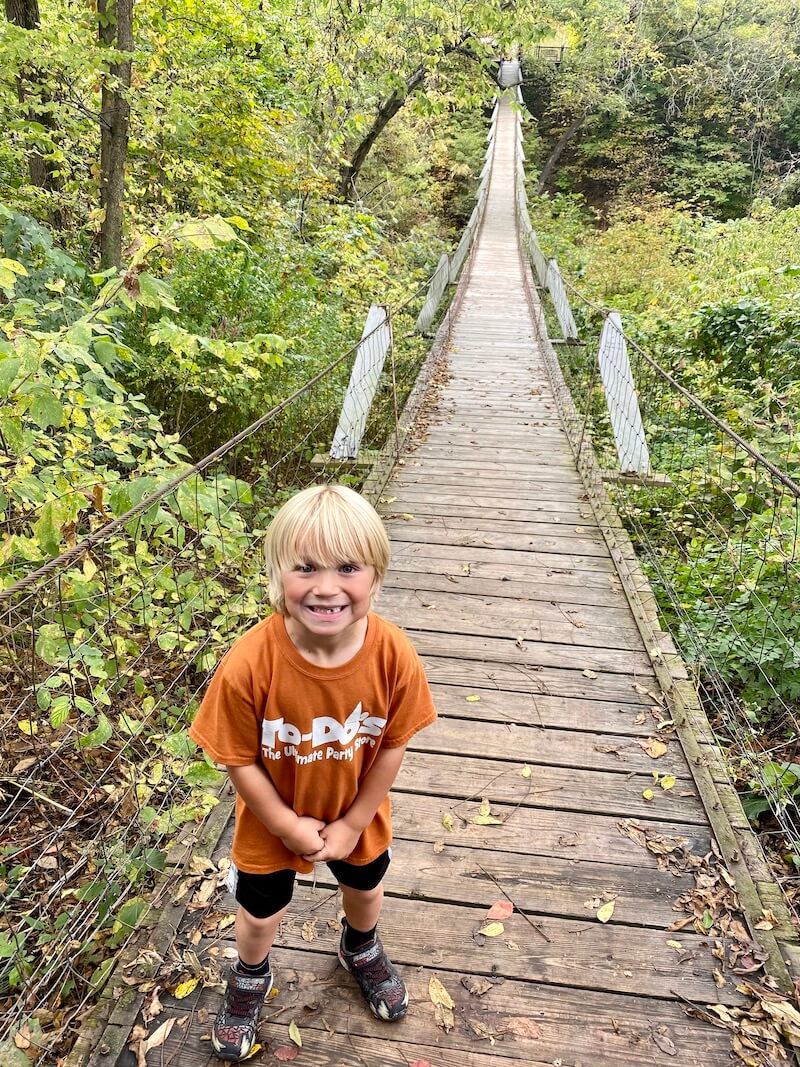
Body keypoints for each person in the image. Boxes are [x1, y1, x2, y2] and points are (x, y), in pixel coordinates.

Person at [188, 484, 437, 1062]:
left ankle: (360, 946)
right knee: (257, 914)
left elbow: (393, 743)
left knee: (366, 890)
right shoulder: (251, 662)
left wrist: (353, 822)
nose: (326, 587)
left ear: (376, 573)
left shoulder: (393, 654)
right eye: (304, 568)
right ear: (277, 575)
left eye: (348, 567)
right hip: (270, 824)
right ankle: (251, 974)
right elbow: (236, 755)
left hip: (358, 812)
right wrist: (282, 823)